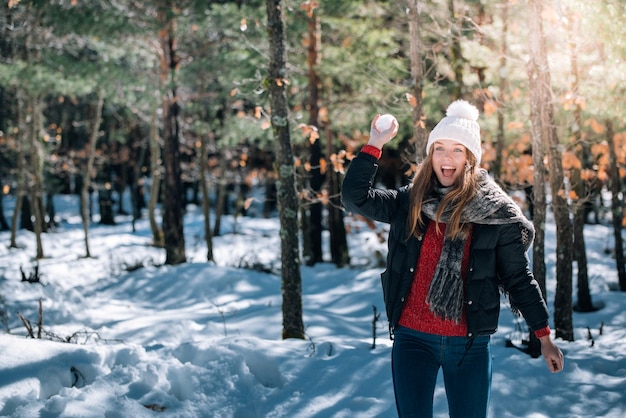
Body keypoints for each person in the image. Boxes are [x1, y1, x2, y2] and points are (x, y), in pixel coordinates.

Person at [341, 100, 564, 418]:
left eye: (457, 150)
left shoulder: (496, 215)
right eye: (439, 148)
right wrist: (375, 144)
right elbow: (355, 197)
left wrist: (544, 336)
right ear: (430, 154)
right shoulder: (410, 201)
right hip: (412, 339)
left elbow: (518, 278)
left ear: (471, 158)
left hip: (469, 346)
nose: (446, 158)